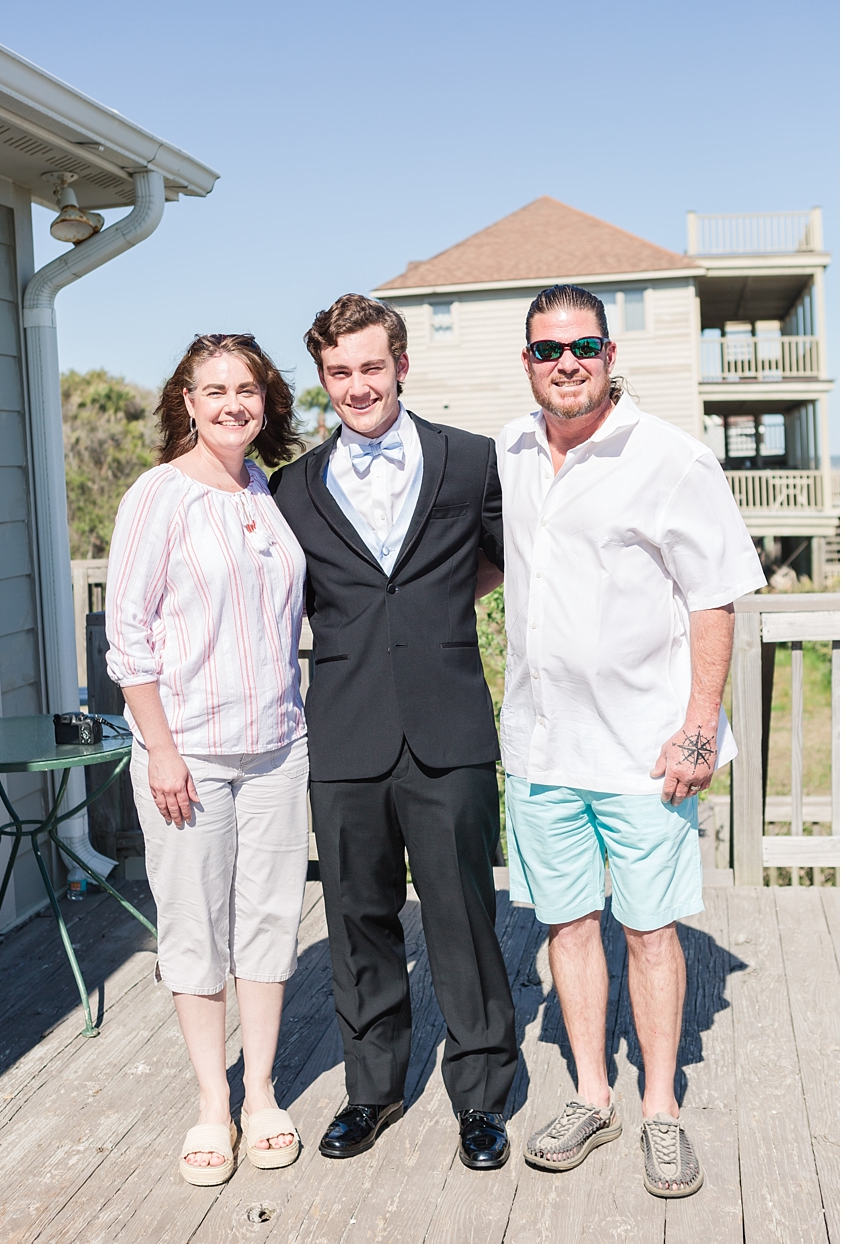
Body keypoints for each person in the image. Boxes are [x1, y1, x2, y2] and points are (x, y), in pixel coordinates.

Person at [497, 284, 764, 1198]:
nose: (566, 362)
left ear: (611, 355)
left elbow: (714, 597)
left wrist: (699, 727)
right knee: (568, 928)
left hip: (643, 751)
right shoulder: (512, 452)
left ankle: (660, 1110)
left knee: (650, 933)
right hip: (539, 750)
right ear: (527, 361)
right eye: (547, 349)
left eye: (584, 345)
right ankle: (592, 1095)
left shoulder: (671, 459)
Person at [269, 293, 517, 1171]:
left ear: (401, 365)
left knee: (463, 917)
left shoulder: (468, 461)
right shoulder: (292, 487)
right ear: (324, 378)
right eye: (339, 372)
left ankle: (482, 1095)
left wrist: (432, 616)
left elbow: (495, 561)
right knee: (357, 917)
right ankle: (372, 1089)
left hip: (448, 725)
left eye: (372, 366)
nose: (357, 385)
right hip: (343, 730)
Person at [105, 333, 309, 1186]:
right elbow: (128, 635)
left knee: (268, 922)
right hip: (188, 755)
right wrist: (159, 748)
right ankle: (211, 1106)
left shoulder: (269, 491)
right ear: (186, 401)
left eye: (248, 389)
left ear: (266, 401)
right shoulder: (160, 495)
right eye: (214, 388)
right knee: (196, 927)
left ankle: (260, 1091)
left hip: (278, 748)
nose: (233, 403)